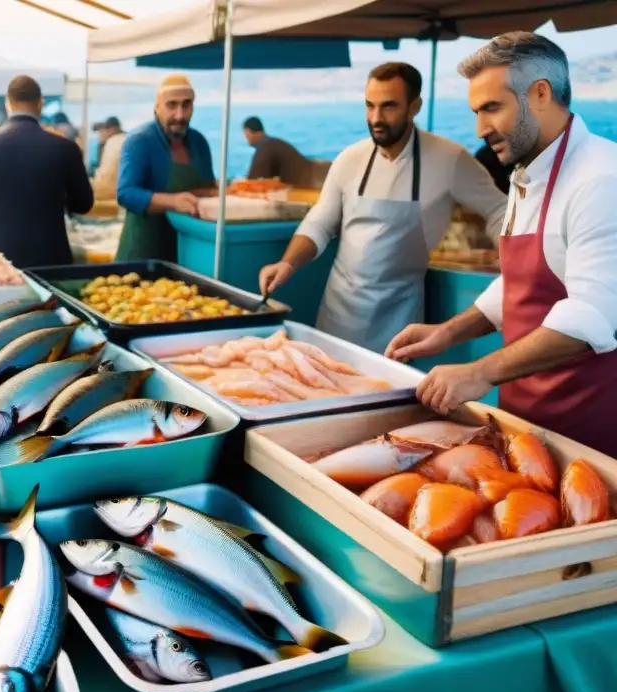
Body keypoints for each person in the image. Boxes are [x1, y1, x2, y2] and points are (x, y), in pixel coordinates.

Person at [386, 33, 617, 455]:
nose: (480, 129)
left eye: (492, 108)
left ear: (541, 94)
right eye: (477, 111)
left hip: (589, 434)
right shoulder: (525, 173)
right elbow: (519, 281)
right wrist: (447, 333)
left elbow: (591, 316)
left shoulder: (601, 178)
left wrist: (480, 372)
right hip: (525, 423)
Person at [258, 62, 507, 353]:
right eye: (369, 106)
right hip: (338, 317)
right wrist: (287, 263)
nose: (376, 118)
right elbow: (319, 223)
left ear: (415, 106)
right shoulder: (350, 159)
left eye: (389, 106)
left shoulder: (450, 159)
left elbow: (500, 210)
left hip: (398, 324)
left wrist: (513, 261)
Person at [0, 75, 93, 268]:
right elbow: (83, 204)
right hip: (53, 257)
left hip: (3, 259)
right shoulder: (65, 148)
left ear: (8, 103)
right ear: (40, 103)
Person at [115, 75, 216, 262]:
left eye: (186, 105)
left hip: (187, 249)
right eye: (172, 105)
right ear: (157, 106)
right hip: (144, 251)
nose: (180, 115)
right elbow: (125, 193)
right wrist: (173, 201)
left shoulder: (199, 143)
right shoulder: (140, 140)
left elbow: (207, 187)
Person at [242, 117, 316, 187]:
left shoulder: (265, 148)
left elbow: (251, 181)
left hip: (306, 186)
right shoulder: (272, 143)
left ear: (251, 132)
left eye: (246, 135)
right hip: (311, 177)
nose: (246, 139)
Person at [91, 116, 126, 200]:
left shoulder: (113, 143)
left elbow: (105, 176)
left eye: (102, 131)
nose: (100, 135)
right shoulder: (127, 139)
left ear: (112, 129)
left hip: (113, 193)